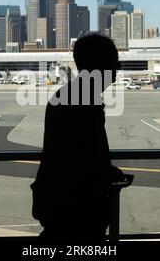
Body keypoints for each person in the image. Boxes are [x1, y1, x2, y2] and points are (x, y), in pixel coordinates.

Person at [31, 33, 126, 241]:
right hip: (76, 206)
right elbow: (81, 156)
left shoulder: (69, 95)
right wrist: (103, 175)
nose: (117, 71)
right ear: (99, 66)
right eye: (113, 64)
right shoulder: (84, 102)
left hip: (60, 201)